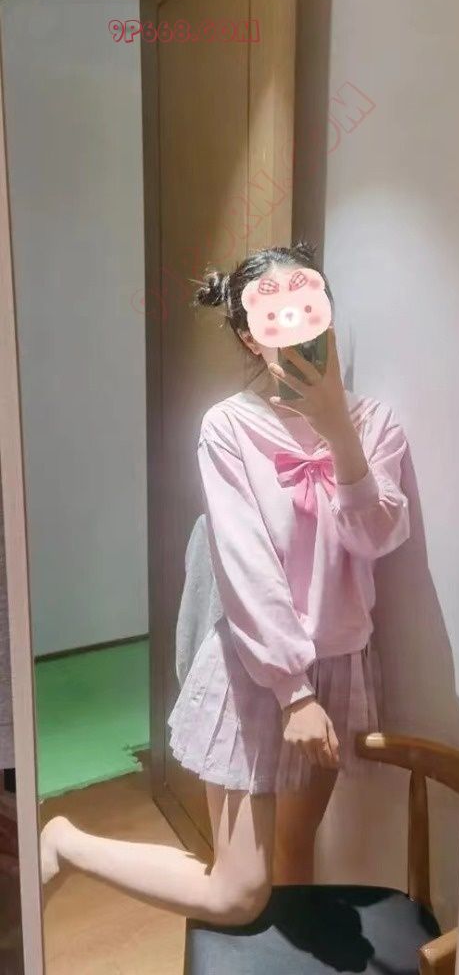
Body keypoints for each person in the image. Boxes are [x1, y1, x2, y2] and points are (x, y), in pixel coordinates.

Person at [40, 242, 410, 926]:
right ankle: (67, 842)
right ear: (247, 334)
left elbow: (377, 538)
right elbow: (244, 565)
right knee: (237, 893)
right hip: (257, 669)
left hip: (339, 662)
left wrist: (337, 431)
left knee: (297, 855)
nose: (296, 327)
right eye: (275, 314)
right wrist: (294, 692)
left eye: (309, 308)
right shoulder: (228, 426)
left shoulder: (376, 423)